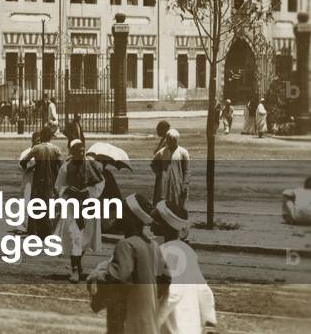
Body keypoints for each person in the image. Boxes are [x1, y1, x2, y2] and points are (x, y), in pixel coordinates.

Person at [87, 193, 170, 334]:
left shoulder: (125, 245)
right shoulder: (153, 245)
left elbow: (119, 278)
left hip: (126, 322)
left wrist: (96, 276)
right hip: (148, 321)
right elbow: (166, 279)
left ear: (130, 217)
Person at [152, 202, 216, 334]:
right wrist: (210, 320)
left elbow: (174, 291)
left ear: (165, 226)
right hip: (191, 325)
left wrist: (155, 323)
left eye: (155, 222)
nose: (151, 226)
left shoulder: (166, 251)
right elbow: (204, 289)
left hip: (173, 326)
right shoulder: (188, 251)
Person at [55, 138, 105, 282]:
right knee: (73, 236)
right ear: (72, 152)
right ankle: (75, 269)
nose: (81, 153)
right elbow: (59, 185)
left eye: (83, 151)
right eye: (78, 151)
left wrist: (88, 192)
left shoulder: (91, 166)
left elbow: (100, 182)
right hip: (72, 207)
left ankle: (78, 262)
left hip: (88, 205)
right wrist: (68, 190)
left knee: (85, 238)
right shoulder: (66, 167)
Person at [21, 126, 62, 238]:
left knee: (36, 203)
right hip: (51, 179)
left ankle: (34, 230)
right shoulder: (56, 149)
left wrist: (30, 167)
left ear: (42, 136)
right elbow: (61, 166)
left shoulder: (37, 149)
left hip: (39, 178)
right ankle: (48, 230)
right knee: (49, 204)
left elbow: (23, 162)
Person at [152, 129, 190, 209]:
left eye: (173, 140)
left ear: (176, 140)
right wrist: (158, 173)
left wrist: (185, 184)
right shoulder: (161, 153)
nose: (171, 142)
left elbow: (187, 170)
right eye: (169, 140)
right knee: (162, 203)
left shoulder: (183, 152)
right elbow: (153, 164)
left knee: (177, 204)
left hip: (178, 183)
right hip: (164, 183)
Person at [17, 131, 41, 232]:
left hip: (39, 181)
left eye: (41, 141)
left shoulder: (42, 152)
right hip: (28, 181)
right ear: (33, 140)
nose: (39, 142)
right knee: (26, 202)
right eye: (37, 140)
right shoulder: (26, 153)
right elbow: (21, 166)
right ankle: (24, 225)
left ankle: (36, 226)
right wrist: (32, 166)